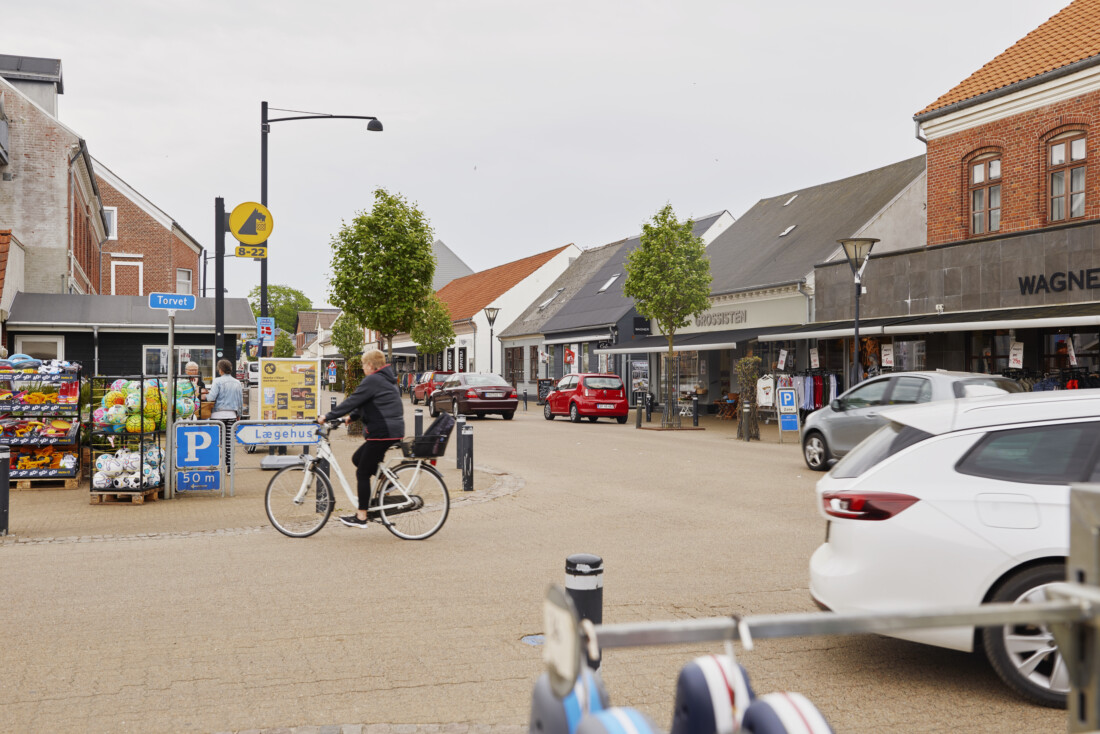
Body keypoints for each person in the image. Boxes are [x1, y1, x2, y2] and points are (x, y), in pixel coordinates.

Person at [318, 349, 405, 529]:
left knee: (362, 473)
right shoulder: (385, 379)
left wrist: (328, 416)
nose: (363, 368)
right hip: (389, 430)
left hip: (382, 431)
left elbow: (353, 400)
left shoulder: (373, 379)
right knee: (358, 459)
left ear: (371, 365)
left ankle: (362, 516)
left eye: (364, 364)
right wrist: (353, 416)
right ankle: (388, 480)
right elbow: (368, 401)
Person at [206, 359, 244, 472]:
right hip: (232, 415)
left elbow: (211, 398)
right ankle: (229, 468)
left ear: (220, 369)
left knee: (215, 441)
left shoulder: (217, 381)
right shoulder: (237, 382)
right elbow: (240, 401)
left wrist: (205, 396)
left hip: (217, 415)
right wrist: (239, 414)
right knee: (229, 442)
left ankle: (213, 466)